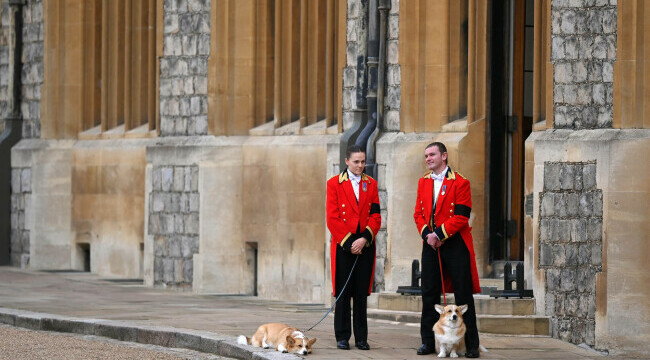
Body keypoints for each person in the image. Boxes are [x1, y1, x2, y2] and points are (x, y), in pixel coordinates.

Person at [413, 142, 482, 358]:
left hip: (455, 244)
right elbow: (418, 214)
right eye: (426, 155)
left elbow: (461, 216)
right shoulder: (423, 182)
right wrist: (428, 236)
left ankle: (472, 346)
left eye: (432, 154)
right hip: (431, 245)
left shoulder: (461, 182)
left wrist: (439, 234)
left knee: (463, 295)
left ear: (444, 156)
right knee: (428, 294)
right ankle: (427, 342)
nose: (428, 159)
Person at [326, 145, 381, 351]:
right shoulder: (334, 184)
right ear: (347, 161)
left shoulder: (371, 184)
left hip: (364, 245)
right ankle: (342, 336)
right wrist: (350, 243)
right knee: (343, 293)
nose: (360, 165)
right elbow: (332, 218)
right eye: (356, 161)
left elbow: (376, 215)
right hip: (343, 245)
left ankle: (361, 338)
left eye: (363, 161)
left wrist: (364, 239)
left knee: (360, 294)